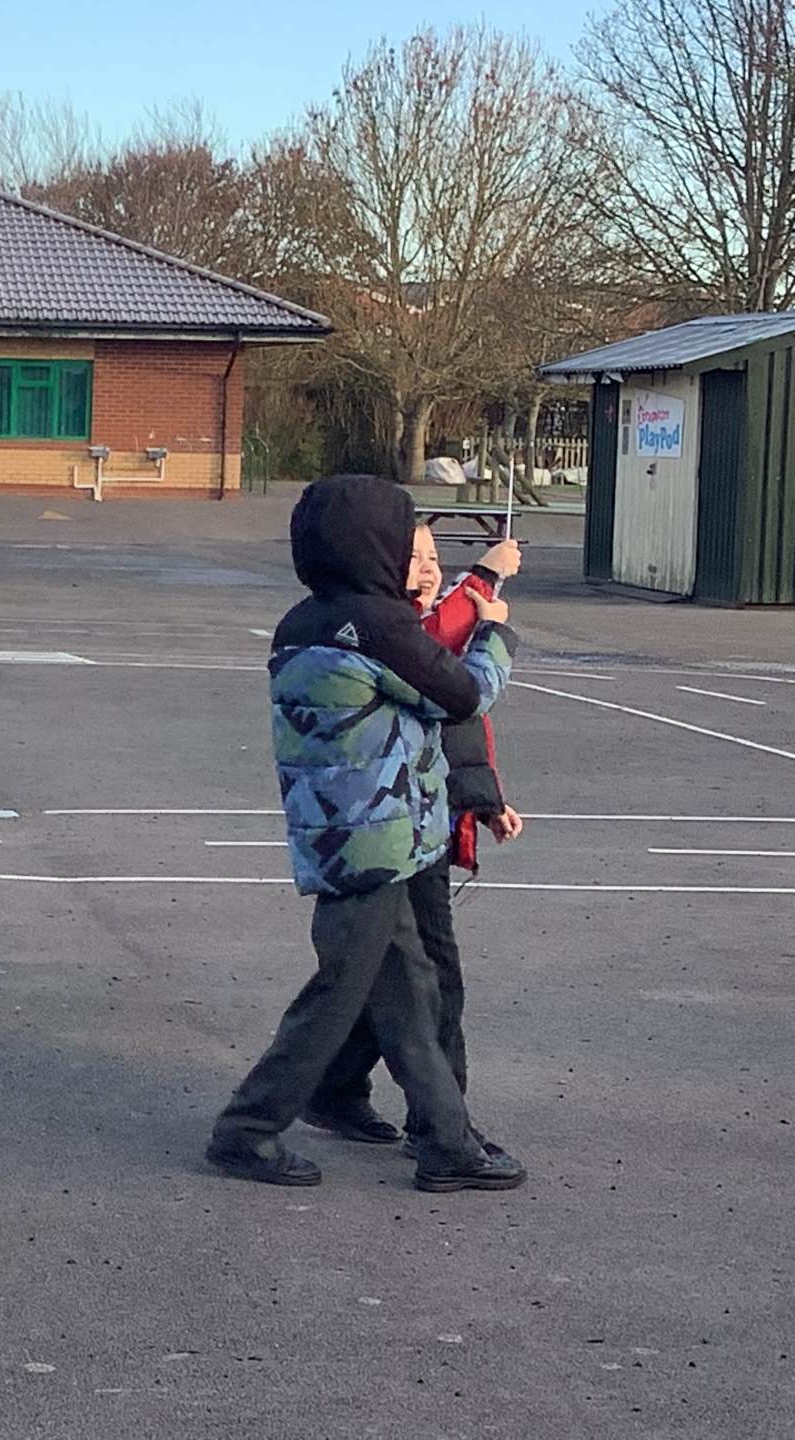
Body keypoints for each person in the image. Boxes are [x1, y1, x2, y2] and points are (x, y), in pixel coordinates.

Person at [205, 476, 527, 1194]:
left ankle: (446, 1142)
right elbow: (463, 694)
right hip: (373, 841)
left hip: (353, 837)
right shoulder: (377, 626)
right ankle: (246, 1129)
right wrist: (495, 631)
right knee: (337, 997)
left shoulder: (306, 620)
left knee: (409, 992)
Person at [303, 528, 525, 1151]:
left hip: (417, 824)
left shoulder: (395, 631)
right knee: (431, 981)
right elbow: (460, 688)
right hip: (392, 831)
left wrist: (484, 801)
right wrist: (488, 590)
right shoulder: (387, 634)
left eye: (434, 559)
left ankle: (332, 1088)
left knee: (385, 975)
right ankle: (443, 1128)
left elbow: (456, 734)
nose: (428, 570)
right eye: (413, 558)